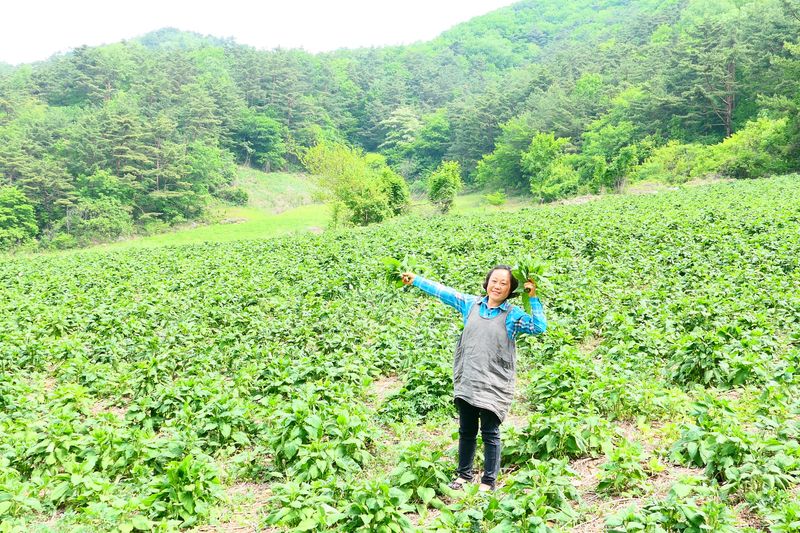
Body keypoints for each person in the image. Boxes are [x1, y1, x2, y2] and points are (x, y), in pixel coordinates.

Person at [401, 265, 546, 491]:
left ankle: (488, 482)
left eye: (503, 283)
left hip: (494, 383)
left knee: (490, 432)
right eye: (494, 281)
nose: (497, 286)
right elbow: (444, 292)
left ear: (510, 290)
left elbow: (539, 327)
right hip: (469, 377)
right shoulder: (471, 304)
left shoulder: (513, 315)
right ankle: (463, 476)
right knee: (466, 430)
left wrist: (533, 297)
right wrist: (416, 280)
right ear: (487, 283)